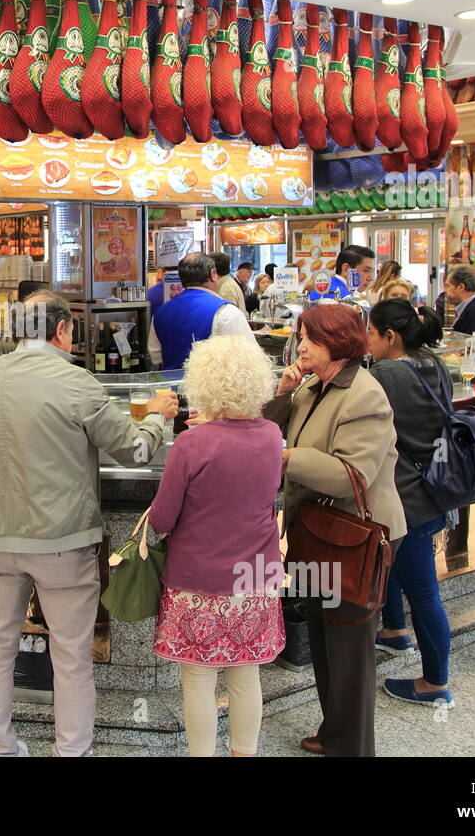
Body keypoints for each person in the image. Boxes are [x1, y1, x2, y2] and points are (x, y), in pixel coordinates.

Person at [0, 290, 177, 757]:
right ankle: (71, 750)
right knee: (70, 654)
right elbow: (135, 451)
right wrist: (158, 420)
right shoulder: (77, 381)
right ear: (62, 330)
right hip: (63, 541)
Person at [263, 304, 406, 756]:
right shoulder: (313, 386)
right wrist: (283, 392)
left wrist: (288, 459)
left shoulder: (365, 394)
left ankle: (352, 746)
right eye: (301, 337)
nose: (301, 346)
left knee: (348, 647)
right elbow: (268, 429)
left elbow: (352, 474)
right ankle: (335, 731)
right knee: (326, 644)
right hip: (320, 530)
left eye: (310, 338)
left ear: (338, 344)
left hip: (357, 534)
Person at [149, 334, 284, 757]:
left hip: (198, 578)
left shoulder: (193, 444)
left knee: (199, 681)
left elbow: (162, 519)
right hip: (257, 575)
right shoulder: (272, 435)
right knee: (246, 677)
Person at [366, 300, 455, 707]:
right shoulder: (433, 362)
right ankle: (394, 632)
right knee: (401, 569)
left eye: (370, 334)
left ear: (390, 336)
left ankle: (436, 683)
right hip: (437, 487)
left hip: (406, 495)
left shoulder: (384, 373)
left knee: (424, 594)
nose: (366, 342)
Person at [151, 253, 253, 370]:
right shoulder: (226, 312)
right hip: (210, 386)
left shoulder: (160, 313)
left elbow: (155, 358)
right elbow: (250, 359)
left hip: (169, 386)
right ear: (213, 274)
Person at [307, 245, 375, 302]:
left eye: (371, 271)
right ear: (346, 269)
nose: (370, 278)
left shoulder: (327, 285)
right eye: (366, 271)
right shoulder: (346, 299)